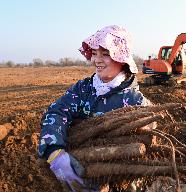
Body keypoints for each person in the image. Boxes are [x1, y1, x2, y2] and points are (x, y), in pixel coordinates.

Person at [38, 25, 151, 191]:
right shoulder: (82, 89)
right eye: (95, 53)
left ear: (121, 58)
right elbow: (57, 111)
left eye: (105, 54)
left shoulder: (135, 101)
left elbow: (138, 153)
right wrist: (54, 152)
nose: (97, 60)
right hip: (77, 169)